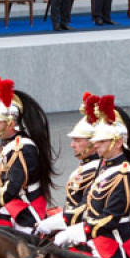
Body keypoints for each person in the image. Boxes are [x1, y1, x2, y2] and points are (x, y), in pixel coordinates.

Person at [54, 95, 130, 258]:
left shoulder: (123, 174)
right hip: (97, 237)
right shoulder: (103, 168)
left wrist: (79, 231)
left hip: (115, 242)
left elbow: (111, 219)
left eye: (101, 141)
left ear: (118, 142)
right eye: (95, 141)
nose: (96, 145)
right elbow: (87, 204)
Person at [0, 78, 53, 231]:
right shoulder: (8, 145)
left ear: (11, 123)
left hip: (26, 211)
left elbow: (11, 189)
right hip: (11, 205)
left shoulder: (22, 149)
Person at [38, 95, 101, 234]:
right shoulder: (84, 167)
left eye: (78, 140)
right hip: (73, 222)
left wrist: (55, 222)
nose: (72, 145)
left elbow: (85, 209)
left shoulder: (98, 170)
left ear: (93, 142)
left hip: (89, 228)